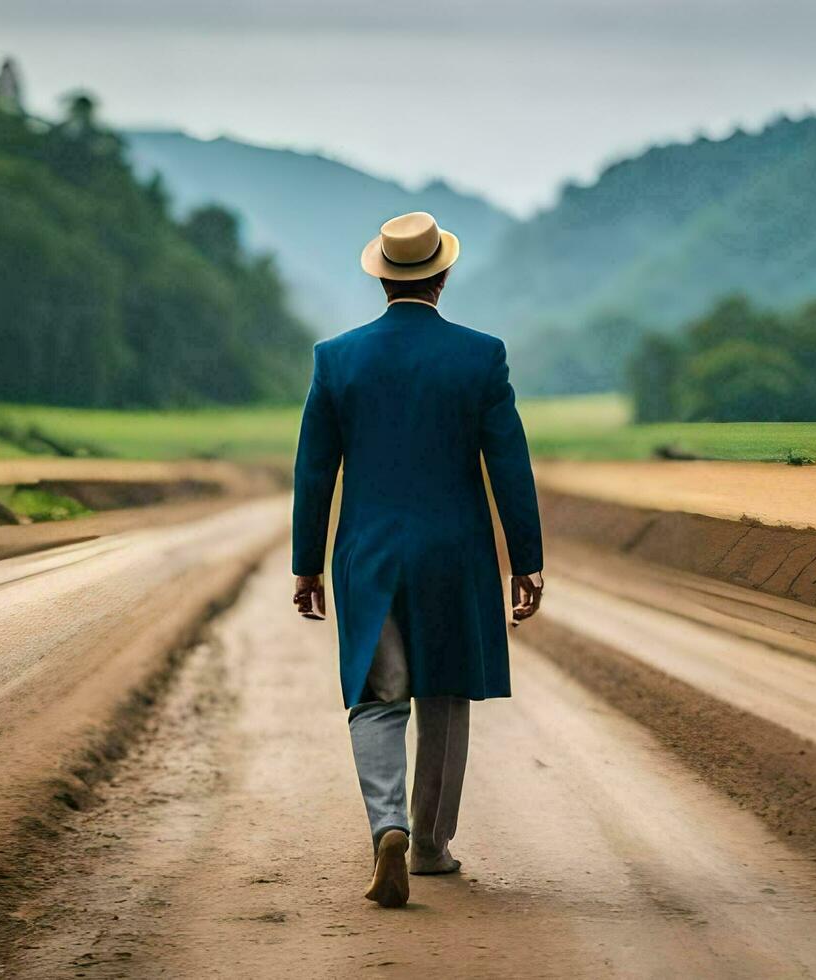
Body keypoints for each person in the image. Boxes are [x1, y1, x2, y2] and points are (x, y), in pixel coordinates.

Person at [291, 211, 545, 909]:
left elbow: (315, 473)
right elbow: (510, 467)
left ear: (381, 277)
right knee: (444, 694)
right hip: (454, 555)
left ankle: (388, 828)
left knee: (377, 699)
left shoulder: (336, 358)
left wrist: (306, 564)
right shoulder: (480, 356)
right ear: (443, 274)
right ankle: (431, 846)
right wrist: (526, 561)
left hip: (369, 556)